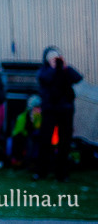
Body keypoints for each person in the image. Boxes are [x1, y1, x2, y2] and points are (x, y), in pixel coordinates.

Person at [35, 46, 82, 181]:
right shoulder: (44, 71)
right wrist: (53, 67)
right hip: (50, 109)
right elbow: (45, 79)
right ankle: (41, 171)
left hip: (65, 109)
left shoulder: (66, 70)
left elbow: (78, 78)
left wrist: (65, 66)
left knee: (65, 141)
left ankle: (62, 173)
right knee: (45, 140)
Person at [9, 94, 43, 168]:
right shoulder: (25, 116)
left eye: (39, 107)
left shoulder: (39, 115)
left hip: (30, 134)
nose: (38, 110)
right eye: (36, 107)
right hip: (21, 135)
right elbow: (26, 128)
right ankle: (21, 160)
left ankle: (34, 159)